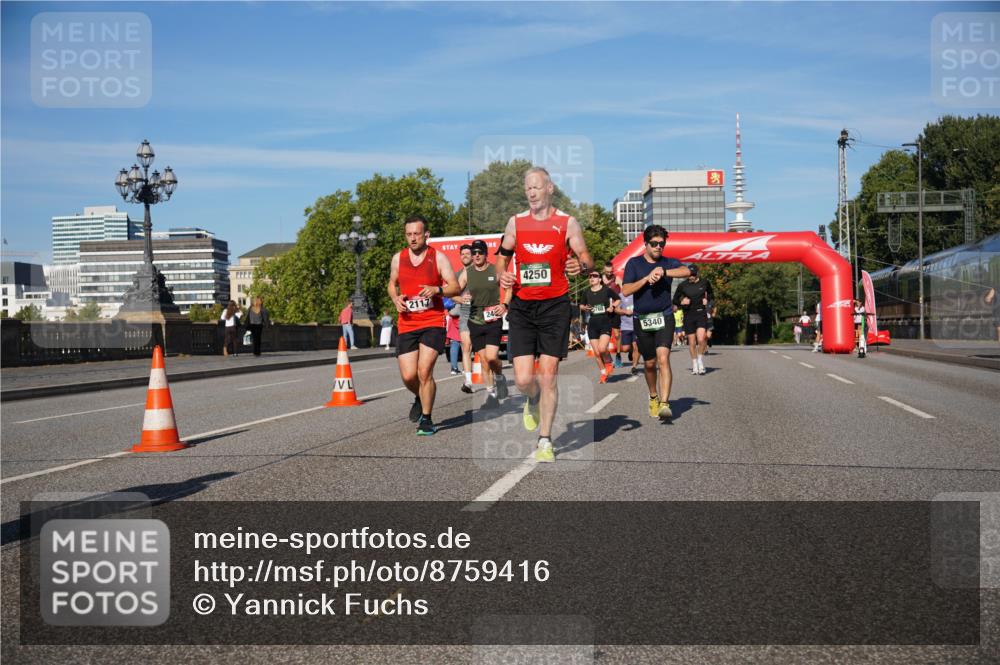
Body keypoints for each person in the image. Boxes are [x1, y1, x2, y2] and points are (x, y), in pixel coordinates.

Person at [496, 166, 593, 463]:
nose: (532, 192)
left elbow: (586, 258)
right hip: (523, 307)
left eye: (536, 187)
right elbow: (502, 257)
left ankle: (545, 440)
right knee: (523, 379)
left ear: (550, 188)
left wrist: (580, 265)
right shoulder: (515, 223)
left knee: (548, 374)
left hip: (555, 306)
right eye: (528, 188)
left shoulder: (567, 222)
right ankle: (532, 397)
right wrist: (502, 274)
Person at [387, 215, 461, 436]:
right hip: (407, 322)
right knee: (409, 376)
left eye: (416, 234)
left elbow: (455, 287)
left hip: (432, 321)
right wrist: (395, 298)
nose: (412, 238)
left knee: (424, 371)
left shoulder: (438, 258)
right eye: (408, 234)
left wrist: (437, 290)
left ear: (426, 235)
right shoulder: (398, 258)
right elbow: (392, 283)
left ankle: (427, 419)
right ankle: (420, 397)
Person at [622, 225, 691, 421]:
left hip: (665, 316)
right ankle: (653, 396)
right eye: (654, 243)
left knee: (663, 358)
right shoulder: (634, 263)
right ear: (645, 244)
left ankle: (665, 403)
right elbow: (626, 290)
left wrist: (664, 272)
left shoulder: (668, 262)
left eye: (662, 243)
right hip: (642, 319)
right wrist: (646, 278)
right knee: (650, 363)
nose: (658, 247)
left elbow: (687, 271)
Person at [458, 238, 510, 409]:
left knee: (492, 357)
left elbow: (509, 288)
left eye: (480, 252)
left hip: (493, 320)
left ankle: (500, 377)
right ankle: (491, 395)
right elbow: (453, 290)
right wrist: (460, 297)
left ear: (486, 254)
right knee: (484, 361)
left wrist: (504, 304)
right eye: (474, 253)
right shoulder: (467, 273)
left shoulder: (495, 270)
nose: (477, 255)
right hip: (475, 321)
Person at [672, 264, 713, 375]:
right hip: (688, 314)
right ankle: (694, 364)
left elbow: (711, 295)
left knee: (701, 339)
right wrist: (681, 302)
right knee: (692, 342)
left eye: (693, 274)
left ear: (697, 274)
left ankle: (700, 361)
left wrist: (707, 300)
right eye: (690, 274)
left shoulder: (705, 282)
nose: (691, 277)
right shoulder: (682, 285)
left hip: (701, 313)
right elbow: (675, 300)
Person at [582, 270, 619, 383]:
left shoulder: (606, 290)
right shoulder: (586, 292)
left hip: (605, 322)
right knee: (597, 353)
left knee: (602, 348)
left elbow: (618, 299)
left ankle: (609, 361)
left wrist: (612, 306)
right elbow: (581, 305)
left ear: (599, 279)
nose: (592, 278)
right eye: (590, 276)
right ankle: (603, 374)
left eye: (595, 276)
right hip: (592, 323)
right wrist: (585, 308)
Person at [602, 262, 623, 367]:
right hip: (604, 309)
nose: (609, 273)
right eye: (607, 272)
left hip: (615, 308)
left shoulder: (616, 278)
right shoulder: (600, 279)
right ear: (604, 270)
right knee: (603, 335)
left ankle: (618, 355)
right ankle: (608, 357)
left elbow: (624, 291)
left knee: (617, 334)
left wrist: (619, 304)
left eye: (611, 272)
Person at [617, 291, 638, 375]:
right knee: (625, 349)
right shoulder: (620, 296)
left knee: (636, 346)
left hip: (637, 325)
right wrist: (625, 311)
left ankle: (634, 367)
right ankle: (631, 351)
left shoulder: (637, 293)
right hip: (625, 326)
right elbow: (616, 309)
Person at [446, 302, 462, 374]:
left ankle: (454, 368)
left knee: (455, 344)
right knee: (466, 344)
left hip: (453, 318)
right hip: (464, 317)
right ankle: (466, 368)